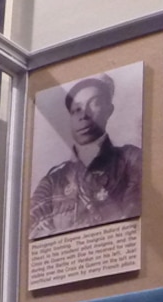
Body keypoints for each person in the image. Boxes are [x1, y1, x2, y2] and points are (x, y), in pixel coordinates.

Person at [29, 72, 143, 238]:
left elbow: (134, 216)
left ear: (109, 110)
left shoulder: (131, 159)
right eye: (76, 110)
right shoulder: (54, 180)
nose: (84, 115)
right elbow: (33, 230)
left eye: (94, 103)